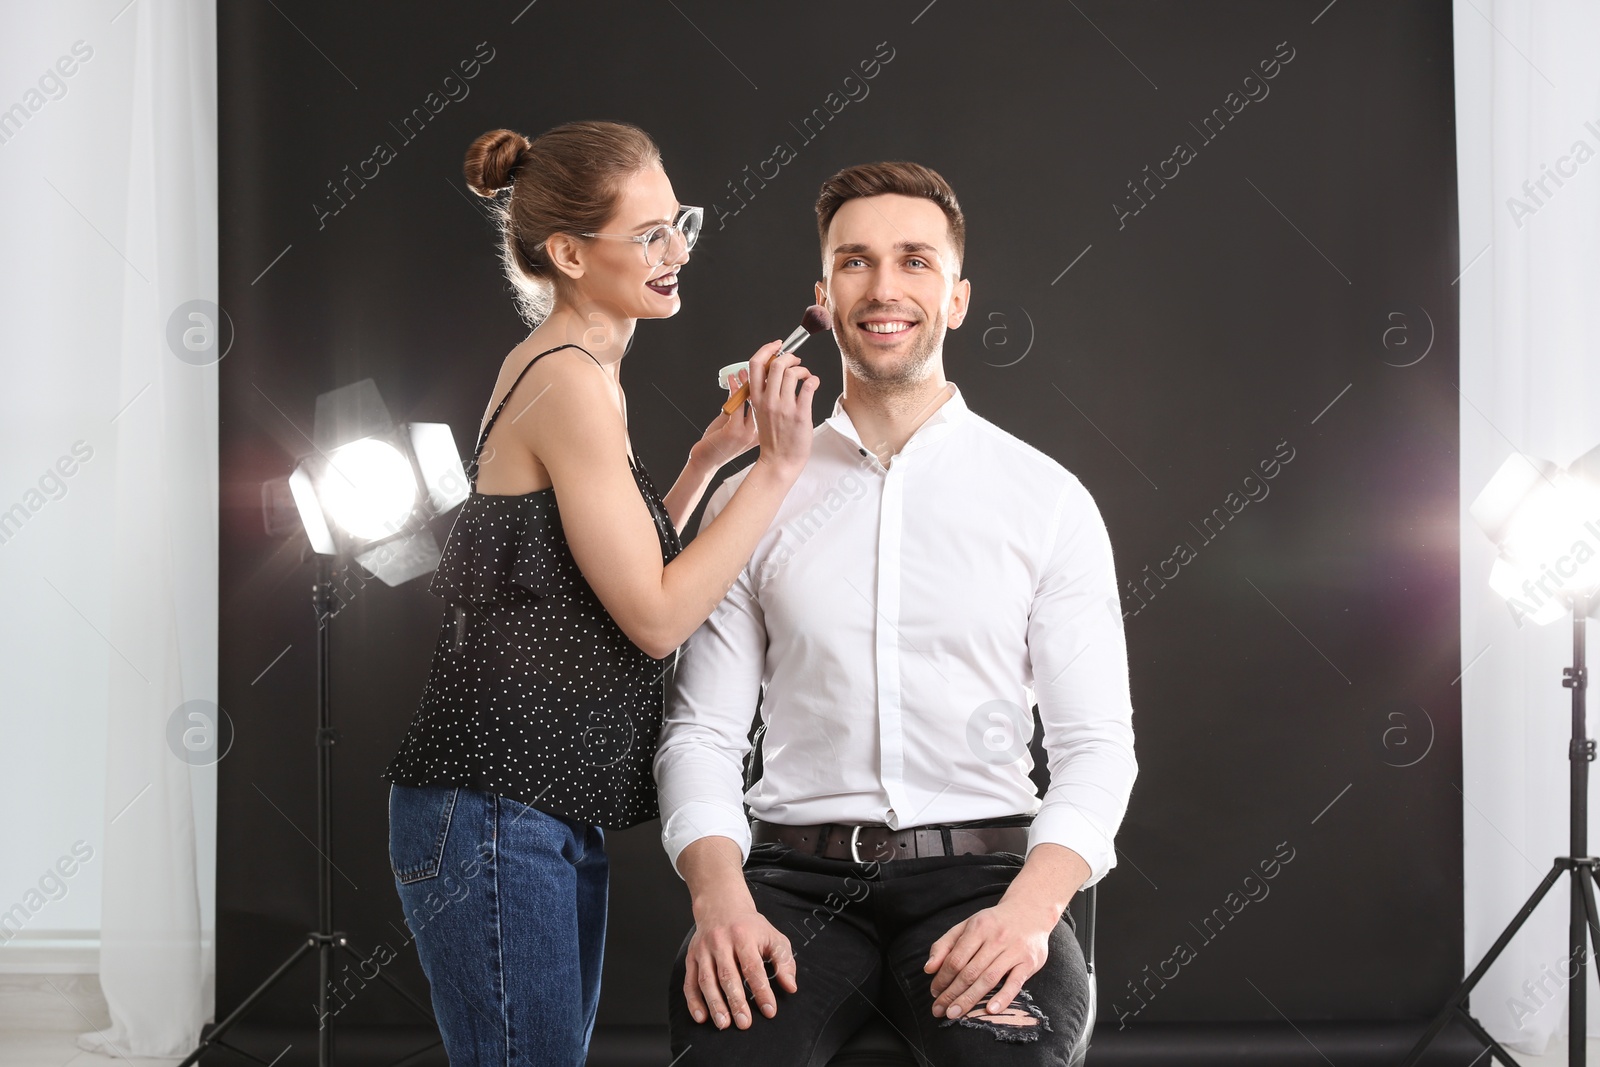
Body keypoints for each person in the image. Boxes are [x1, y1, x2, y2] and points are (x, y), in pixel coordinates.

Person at [654, 160, 1138, 1065]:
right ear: (823, 297)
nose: (884, 288)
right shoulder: (753, 499)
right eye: (855, 262)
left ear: (956, 298)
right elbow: (699, 735)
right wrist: (720, 901)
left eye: (915, 261)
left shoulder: (1047, 499)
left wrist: (1030, 912)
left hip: (986, 879)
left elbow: (1097, 744)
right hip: (789, 885)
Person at [381, 121, 820, 1067]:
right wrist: (778, 472)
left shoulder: (583, 372)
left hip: (528, 804)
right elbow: (656, 617)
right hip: (494, 807)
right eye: (648, 234)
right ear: (570, 254)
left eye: (680, 224)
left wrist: (707, 462)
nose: (678, 253)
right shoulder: (570, 383)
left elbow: (599, 573)